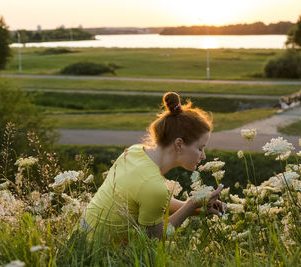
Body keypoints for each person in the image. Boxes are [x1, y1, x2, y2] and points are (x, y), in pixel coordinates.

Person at [80, 91, 225, 246]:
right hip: (98, 254)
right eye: (200, 148)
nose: (203, 156)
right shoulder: (154, 186)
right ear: (179, 144)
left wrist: (199, 206)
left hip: (80, 240)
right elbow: (153, 237)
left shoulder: (135, 152)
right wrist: (190, 206)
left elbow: (154, 202)